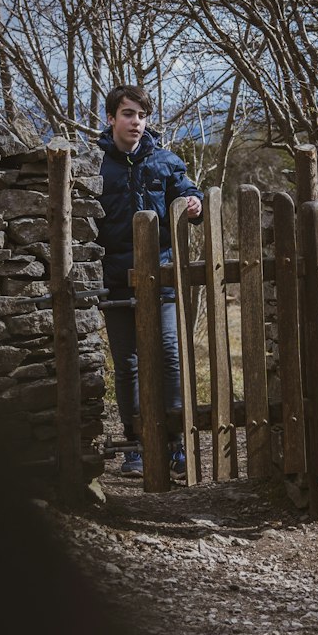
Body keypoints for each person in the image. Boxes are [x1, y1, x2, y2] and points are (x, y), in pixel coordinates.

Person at [97, 84, 203, 477]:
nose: (136, 122)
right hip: (116, 279)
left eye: (141, 115)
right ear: (111, 119)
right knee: (127, 363)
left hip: (162, 276)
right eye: (128, 114)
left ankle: (174, 445)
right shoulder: (96, 165)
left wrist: (194, 203)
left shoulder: (165, 162)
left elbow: (189, 193)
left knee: (169, 354)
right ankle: (135, 447)